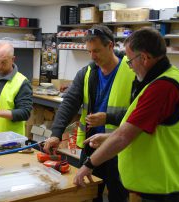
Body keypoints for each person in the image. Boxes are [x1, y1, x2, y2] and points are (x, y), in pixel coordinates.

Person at [74, 27, 179, 202]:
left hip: (169, 186)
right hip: (162, 183)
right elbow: (136, 127)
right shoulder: (158, 80)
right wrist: (108, 138)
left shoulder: (162, 87)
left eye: (130, 60)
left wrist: (88, 165)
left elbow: (124, 136)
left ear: (145, 58)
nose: (130, 66)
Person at [44, 24, 135, 202]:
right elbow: (69, 103)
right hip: (91, 146)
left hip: (119, 147)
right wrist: (56, 134)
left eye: (97, 51)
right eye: (89, 52)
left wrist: (109, 117)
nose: (92, 56)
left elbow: (140, 113)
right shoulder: (86, 73)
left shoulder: (132, 71)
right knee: (90, 193)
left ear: (110, 46)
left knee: (118, 196)